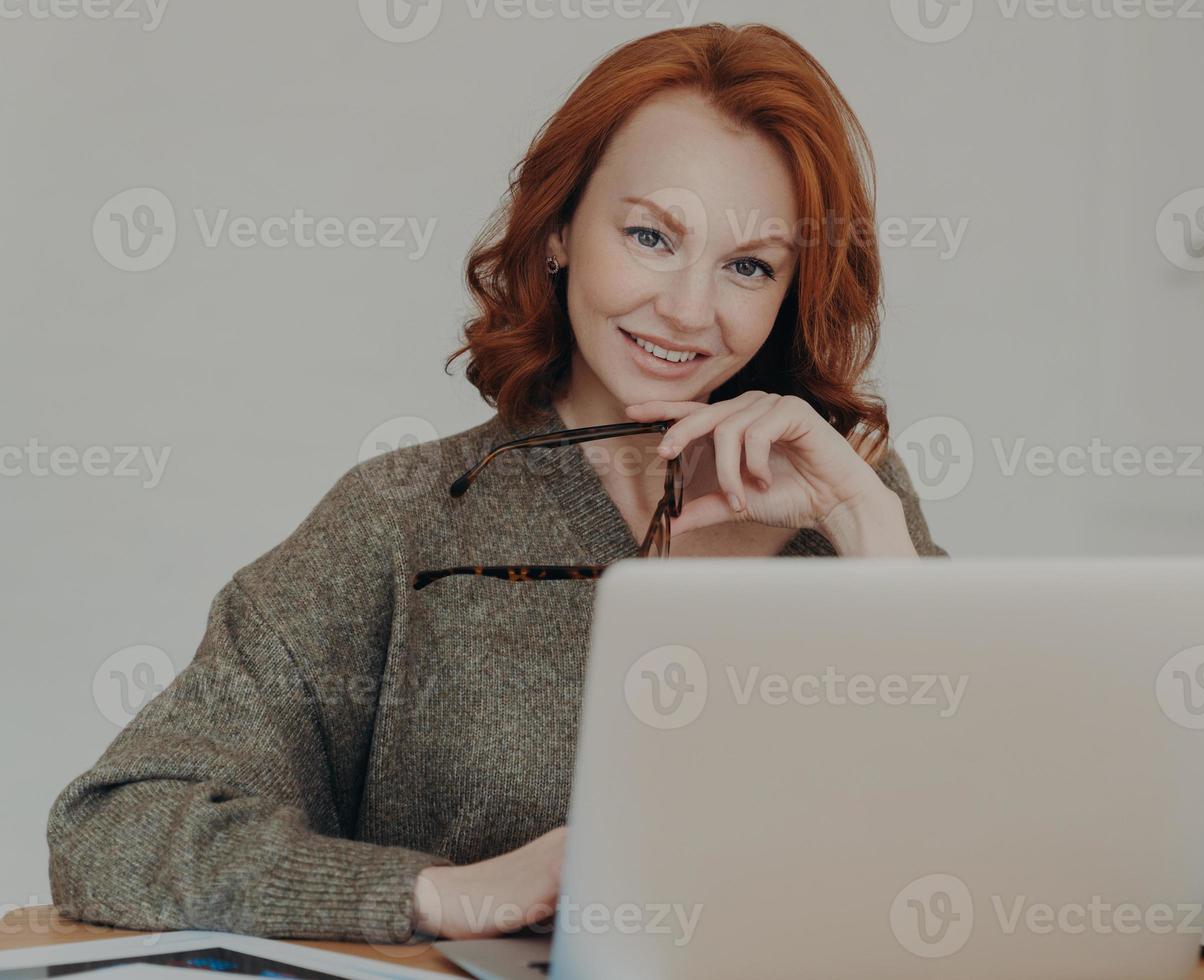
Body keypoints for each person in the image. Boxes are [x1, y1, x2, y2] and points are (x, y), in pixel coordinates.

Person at [46, 22, 947, 944]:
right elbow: (115, 826)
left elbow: (982, 841)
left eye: (748, 265)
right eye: (650, 236)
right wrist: (441, 894)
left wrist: (865, 526)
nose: (687, 309)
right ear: (559, 231)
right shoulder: (403, 522)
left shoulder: (852, 501)